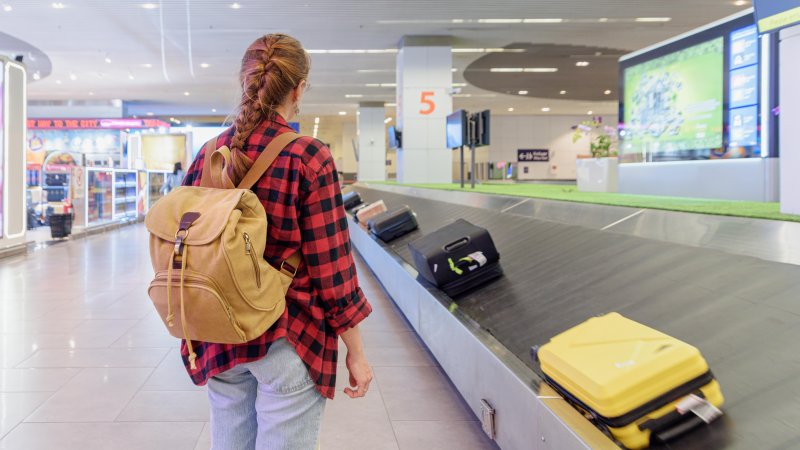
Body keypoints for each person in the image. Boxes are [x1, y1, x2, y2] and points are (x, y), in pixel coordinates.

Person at [181, 34, 373, 449]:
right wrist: (355, 348)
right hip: (286, 333)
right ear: (299, 87)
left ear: (247, 80)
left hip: (218, 330)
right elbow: (331, 267)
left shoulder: (208, 154)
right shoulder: (309, 156)